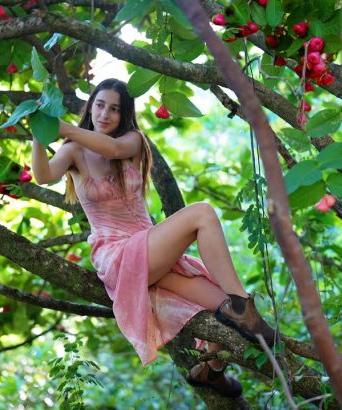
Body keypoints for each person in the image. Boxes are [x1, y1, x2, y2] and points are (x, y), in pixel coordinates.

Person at [31, 78, 276, 397]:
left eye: (114, 109)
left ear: (125, 115)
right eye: (99, 105)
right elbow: (43, 175)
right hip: (118, 257)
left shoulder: (132, 140)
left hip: (151, 252)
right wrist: (41, 132)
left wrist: (61, 125)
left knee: (222, 306)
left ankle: (210, 371)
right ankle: (244, 306)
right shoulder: (73, 151)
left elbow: (113, 149)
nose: (105, 114)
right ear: (90, 106)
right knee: (202, 213)